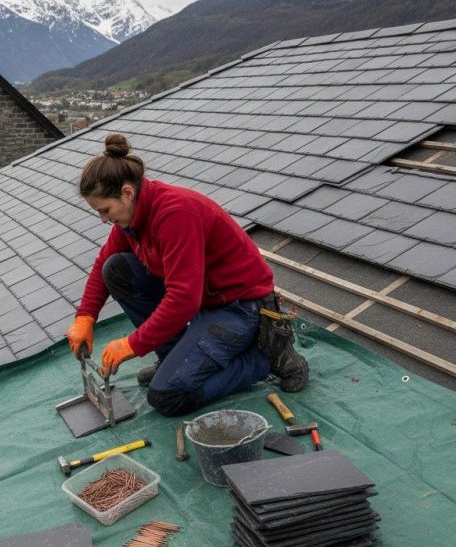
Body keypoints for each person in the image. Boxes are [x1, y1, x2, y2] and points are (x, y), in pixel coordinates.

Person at [65, 133, 308, 417]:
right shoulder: (132, 216)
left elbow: (183, 299)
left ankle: (263, 359)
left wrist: (133, 344)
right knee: (116, 268)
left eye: (105, 210)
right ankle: (174, 356)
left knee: (167, 395)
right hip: (207, 301)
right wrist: (85, 317)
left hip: (240, 308)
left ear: (127, 193)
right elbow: (102, 264)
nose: (104, 219)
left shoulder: (174, 214)